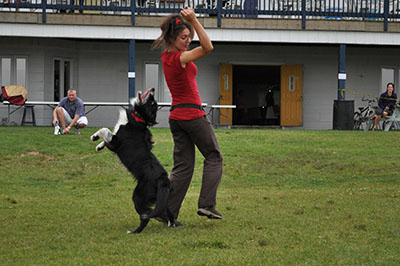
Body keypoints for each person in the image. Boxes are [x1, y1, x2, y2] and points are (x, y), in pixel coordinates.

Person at [152, 7, 223, 225]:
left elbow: (198, 46)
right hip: (192, 114)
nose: (188, 41)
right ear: (172, 37)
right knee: (213, 156)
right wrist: (194, 20)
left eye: (189, 37)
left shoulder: (166, 57)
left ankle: (166, 212)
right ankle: (207, 205)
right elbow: (208, 47)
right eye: (184, 37)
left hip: (176, 117)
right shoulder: (180, 58)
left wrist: (189, 26)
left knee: (182, 167)